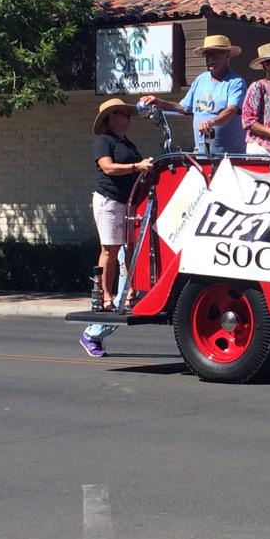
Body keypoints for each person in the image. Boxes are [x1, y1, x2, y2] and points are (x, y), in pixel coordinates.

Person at [79, 99, 154, 357]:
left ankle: (130, 289)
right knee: (110, 249)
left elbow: (138, 170)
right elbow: (108, 167)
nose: (128, 117)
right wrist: (137, 166)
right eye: (122, 114)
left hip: (127, 203)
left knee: (128, 248)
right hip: (109, 201)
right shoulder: (105, 141)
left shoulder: (127, 143)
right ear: (110, 118)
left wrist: (146, 166)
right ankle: (107, 296)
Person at [141, 35, 245, 155]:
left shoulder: (235, 81)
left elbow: (231, 110)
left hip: (229, 156)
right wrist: (160, 102)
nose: (210, 59)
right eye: (207, 55)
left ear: (227, 55)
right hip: (202, 154)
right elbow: (185, 107)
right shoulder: (200, 80)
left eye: (215, 54)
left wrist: (211, 122)